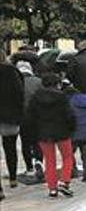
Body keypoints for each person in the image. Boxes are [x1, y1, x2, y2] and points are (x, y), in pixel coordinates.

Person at [25, 73, 76, 198]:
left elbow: (30, 117)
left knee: (49, 160)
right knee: (67, 157)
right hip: (62, 131)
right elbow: (69, 115)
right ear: (57, 84)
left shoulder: (35, 98)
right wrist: (72, 128)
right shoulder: (62, 97)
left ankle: (52, 188)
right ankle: (64, 181)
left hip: (43, 132)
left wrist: (33, 133)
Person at [0, 50, 24, 195]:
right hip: (10, 116)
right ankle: (13, 178)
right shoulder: (13, 72)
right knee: (10, 148)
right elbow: (20, 93)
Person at [17, 62, 43, 180]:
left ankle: (29, 167)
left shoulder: (16, 82)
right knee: (38, 141)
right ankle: (39, 161)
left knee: (25, 142)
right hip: (37, 116)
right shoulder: (38, 81)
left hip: (22, 117)